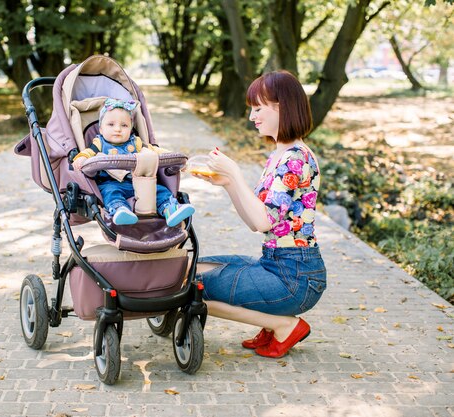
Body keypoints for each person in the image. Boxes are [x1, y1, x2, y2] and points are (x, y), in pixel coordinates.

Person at [192, 70, 326, 358]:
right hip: (277, 264)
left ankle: (281, 324)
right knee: (194, 269)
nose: (252, 116)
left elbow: (263, 220)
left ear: (283, 107)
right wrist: (228, 183)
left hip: (295, 276)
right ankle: (272, 323)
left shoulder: (294, 159)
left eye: (258, 108)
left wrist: (236, 174)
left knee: (195, 289)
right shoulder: (280, 155)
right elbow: (256, 222)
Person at [72, 98, 195, 227]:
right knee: (111, 193)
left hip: (138, 181)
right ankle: (121, 211)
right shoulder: (100, 143)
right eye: (111, 125)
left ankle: (170, 210)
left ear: (131, 129)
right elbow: (88, 153)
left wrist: (172, 156)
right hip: (110, 183)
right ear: (101, 129)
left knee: (159, 190)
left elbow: (154, 150)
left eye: (124, 125)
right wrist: (81, 158)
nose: (118, 129)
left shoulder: (135, 142)